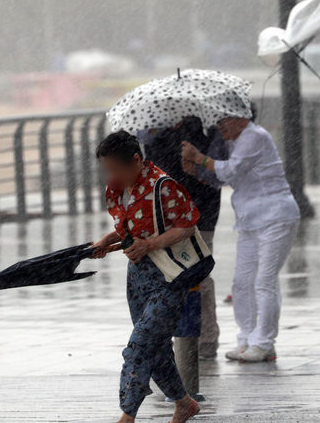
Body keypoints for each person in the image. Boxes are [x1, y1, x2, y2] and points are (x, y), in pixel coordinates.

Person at [92, 131, 201, 423]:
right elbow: (130, 227)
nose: (112, 175)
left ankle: (127, 416)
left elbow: (187, 225)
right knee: (157, 348)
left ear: (137, 160)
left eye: (116, 168)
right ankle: (184, 403)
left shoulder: (163, 186)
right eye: (107, 169)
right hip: (138, 276)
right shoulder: (115, 189)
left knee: (138, 346)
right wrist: (107, 240)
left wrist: (150, 244)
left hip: (169, 276)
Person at [181, 116, 300, 362]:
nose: (219, 127)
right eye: (217, 123)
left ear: (241, 118)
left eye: (223, 122)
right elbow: (223, 177)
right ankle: (247, 338)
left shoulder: (255, 136)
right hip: (249, 220)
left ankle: (265, 343)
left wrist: (199, 158)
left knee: (264, 281)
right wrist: (197, 171)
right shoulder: (232, 141)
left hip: (276, 216)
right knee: (242, 282)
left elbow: (231, 168)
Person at [140, 116, 227, 359]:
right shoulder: (154, 127)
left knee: (199, 272)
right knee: (164, 273)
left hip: (201, 207)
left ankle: (206, 337)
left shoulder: (206, 126)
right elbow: (146, 161)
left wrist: (197, 162)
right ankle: (168, 336)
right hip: (163, 209)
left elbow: (217, 169)